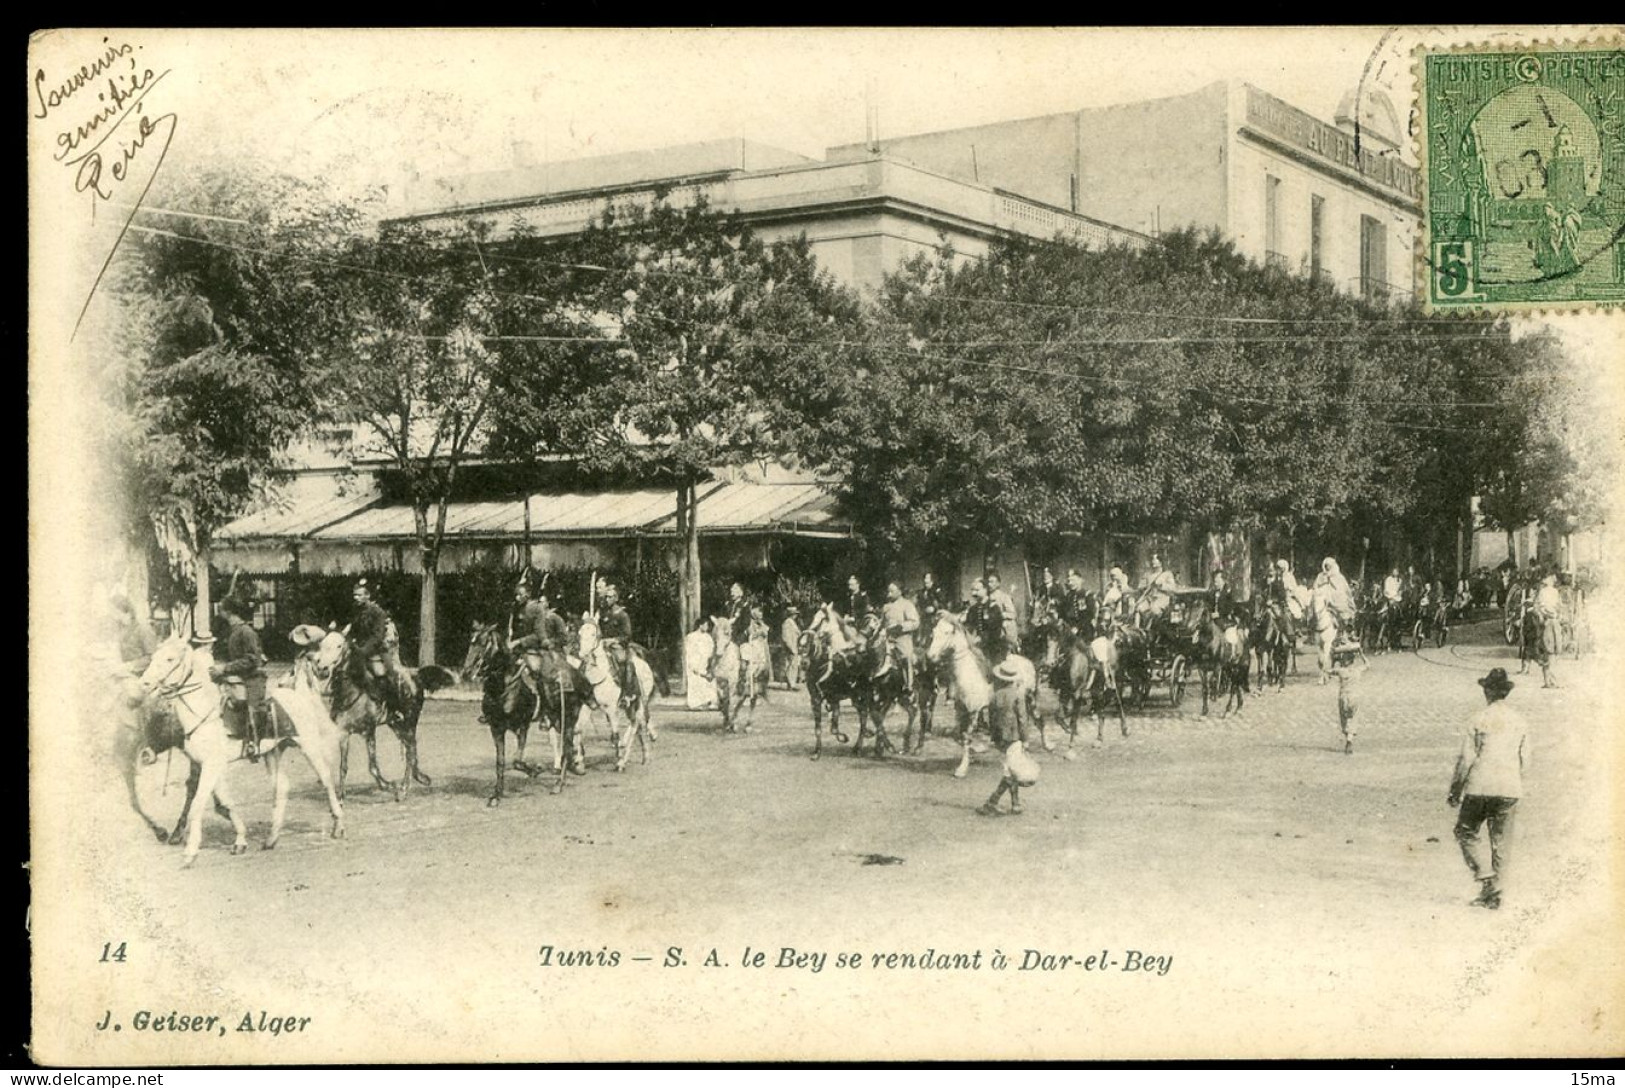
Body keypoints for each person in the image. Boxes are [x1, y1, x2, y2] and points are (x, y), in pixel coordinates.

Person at [1448, 669, 1530, 910]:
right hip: (1509, 788)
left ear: (1487, 692)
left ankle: (1485, 876)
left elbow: (1465, 759)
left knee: (1465, 831)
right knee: (1501, 842)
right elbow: (1526, 760)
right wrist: (1518, 785)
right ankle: (1495, 894)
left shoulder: (1478, 719)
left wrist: (1455, 790)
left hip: (1479, 787)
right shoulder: (1520, 721)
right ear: (1506, 693)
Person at [212, 590, 271, 760]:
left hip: (253, 677)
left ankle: (254, 743)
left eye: (221, 608)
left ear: (228, 611)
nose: (219, 611)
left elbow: (252, 660)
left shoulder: (246, 631)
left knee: (254, 708)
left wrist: (225, 668)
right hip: (237, 677)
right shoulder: (232, 631)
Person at [978, 659, 1037, 816]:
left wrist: (995, 737)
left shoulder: (995, 696)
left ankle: (1014, 803)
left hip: (1000, 737)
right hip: (1014, 736)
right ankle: (992, 802)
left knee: (1011, 769)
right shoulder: (1018, 696)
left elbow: (991, 718)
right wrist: (1025, 739)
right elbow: (1022, 719)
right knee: (1011, 771)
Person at [876, 580, 919, 692]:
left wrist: (900, 626)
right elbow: (882, 623)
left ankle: (909, 685)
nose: (889, 594)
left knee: (906, 656)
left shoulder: (907, 605)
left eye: (892, 591)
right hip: (887, 639)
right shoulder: (886, 607)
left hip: (902, 638)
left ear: (899, 591)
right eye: (888, 591)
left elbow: (915, 622)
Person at [1329, 643, 1367, 756]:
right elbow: (1368, 664)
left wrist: (1333, 659)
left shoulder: (1341, 671)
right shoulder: (1358, 670)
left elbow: (1328, 670)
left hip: (1343, 697)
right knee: (1354, 717)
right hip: (1355, 696)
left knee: (1344, 719)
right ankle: (1350, 740)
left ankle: (1347, 738)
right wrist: (1361, 654)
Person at [1532, 574, 1562, 687]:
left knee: (1546, 652)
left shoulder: (1543, 592)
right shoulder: (1553, 592)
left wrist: (1540, 616)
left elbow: (1536, 607)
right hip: (1552, 623)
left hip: (1546, 623)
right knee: (1551, 652)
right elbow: (1559, 607)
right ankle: (1550, 681)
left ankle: (1548, 681)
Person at [1135, 554, 1177, 625]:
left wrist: (1161, 585)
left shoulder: (1167, 574)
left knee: (1154, 610)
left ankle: (1151, 631)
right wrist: (1142, 586)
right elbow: (1141, 587)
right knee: (1138, 608)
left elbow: (1172, 587)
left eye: (1155, 559)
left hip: (1162, 599)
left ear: (1160, 562)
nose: (1153, 561)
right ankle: (1137, 630)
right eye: (1152, 559)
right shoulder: (1148, 575)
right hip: (1149, 599)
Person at [985, 572, 1019, 651]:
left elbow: (1013, 614)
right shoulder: (986, 598)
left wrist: (1000, 615)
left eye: (992, 582)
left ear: (998, 584)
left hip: (1002, 630)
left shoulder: (1004, 597)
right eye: (988, 582)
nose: (989, 584)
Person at [778, 609, 803, 691]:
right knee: (790, 666)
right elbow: (785, 637)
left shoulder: (792, 623)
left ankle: (792, 684)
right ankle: (790, 685)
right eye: (794, 614)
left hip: (794, 646)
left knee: (793, 666)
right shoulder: (787, 623)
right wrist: (790, 647)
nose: (795, 615)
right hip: (790, 647)